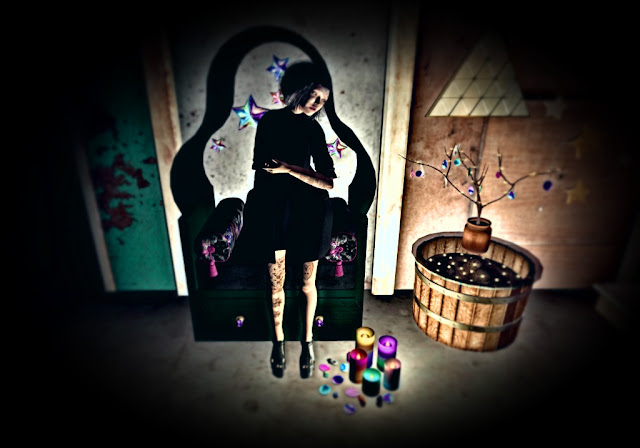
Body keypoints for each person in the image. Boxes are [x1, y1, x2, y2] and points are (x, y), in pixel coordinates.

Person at [238, 61, 337, 379]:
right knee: (276, 285)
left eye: (324, 100)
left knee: (308, 284)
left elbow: (328, 181)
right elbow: (262, 168)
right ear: (301, 89)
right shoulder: (269, 121)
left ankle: (307, 342)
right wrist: (286, 174)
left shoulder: (314, 129)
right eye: (315, 96)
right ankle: (278, 342)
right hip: (273, 211)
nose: (318, 104)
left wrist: (289, 169)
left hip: (309, 211)